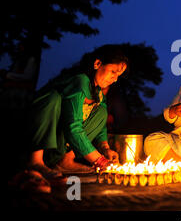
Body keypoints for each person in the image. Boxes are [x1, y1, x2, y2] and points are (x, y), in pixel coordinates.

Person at [25, 45, 127, 182]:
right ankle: (35, 161)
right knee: (52, 98)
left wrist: (105, 148)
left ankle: (65, 160)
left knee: (101, 111)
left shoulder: (98, 92)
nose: (115, 79)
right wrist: (100, 161)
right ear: (97, 64)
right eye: (113, 71)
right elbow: (73, 127)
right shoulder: (79, 81)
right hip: (43, 140)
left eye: (118, 75)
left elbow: (101, 125)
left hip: (60, 146)